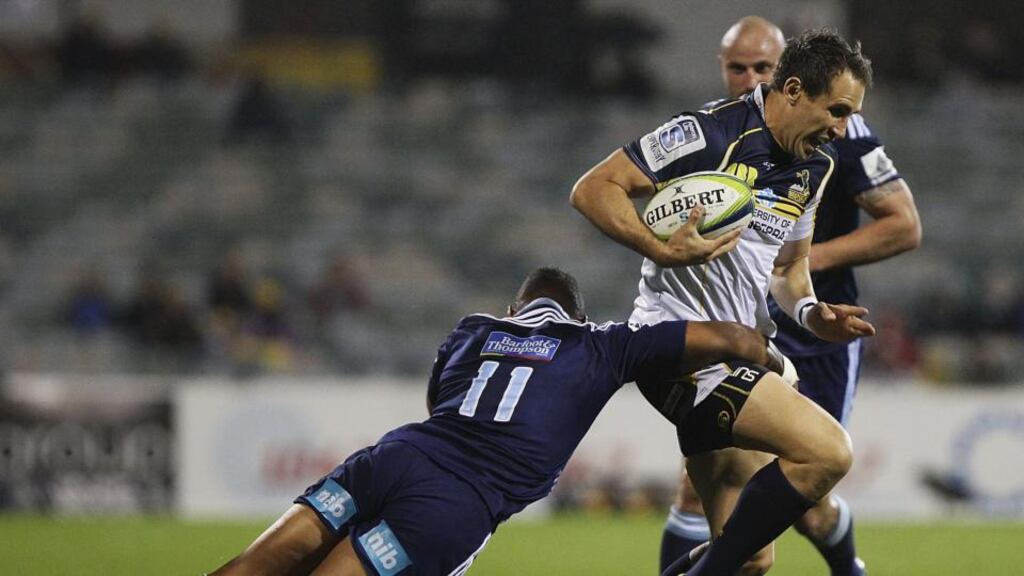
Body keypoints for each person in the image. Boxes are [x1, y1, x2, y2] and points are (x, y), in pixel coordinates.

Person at [210, 267, 851, 576]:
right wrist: (774, 359)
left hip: (392, 457)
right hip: (451, 504)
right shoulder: (601, 345)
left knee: (253, 566)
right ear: (576, 311)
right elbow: (730, 339)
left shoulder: (474, 329)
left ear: (517, 306)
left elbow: (442, 402)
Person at [572, 28, 876, 575]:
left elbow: (787, 268)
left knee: (752, 559)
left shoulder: (815, 168)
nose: (841, 127)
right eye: (835, 109)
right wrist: (657, 248)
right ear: (791, 91)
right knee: (830, 452)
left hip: (738, 352)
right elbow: (594, 188)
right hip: (678, 351)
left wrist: (812, 315)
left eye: (849, 114)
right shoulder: (705, 133)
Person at [656, 17, 922, 576]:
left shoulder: (841, 135)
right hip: (737, 332)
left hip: (812, 337)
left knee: (809, 497)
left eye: (762, 66)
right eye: (738, 67)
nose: (749, 76)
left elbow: (904, 225)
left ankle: (848, 568)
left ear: (790, 76)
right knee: (708, 498)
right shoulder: (717, 133)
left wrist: (807, 269)